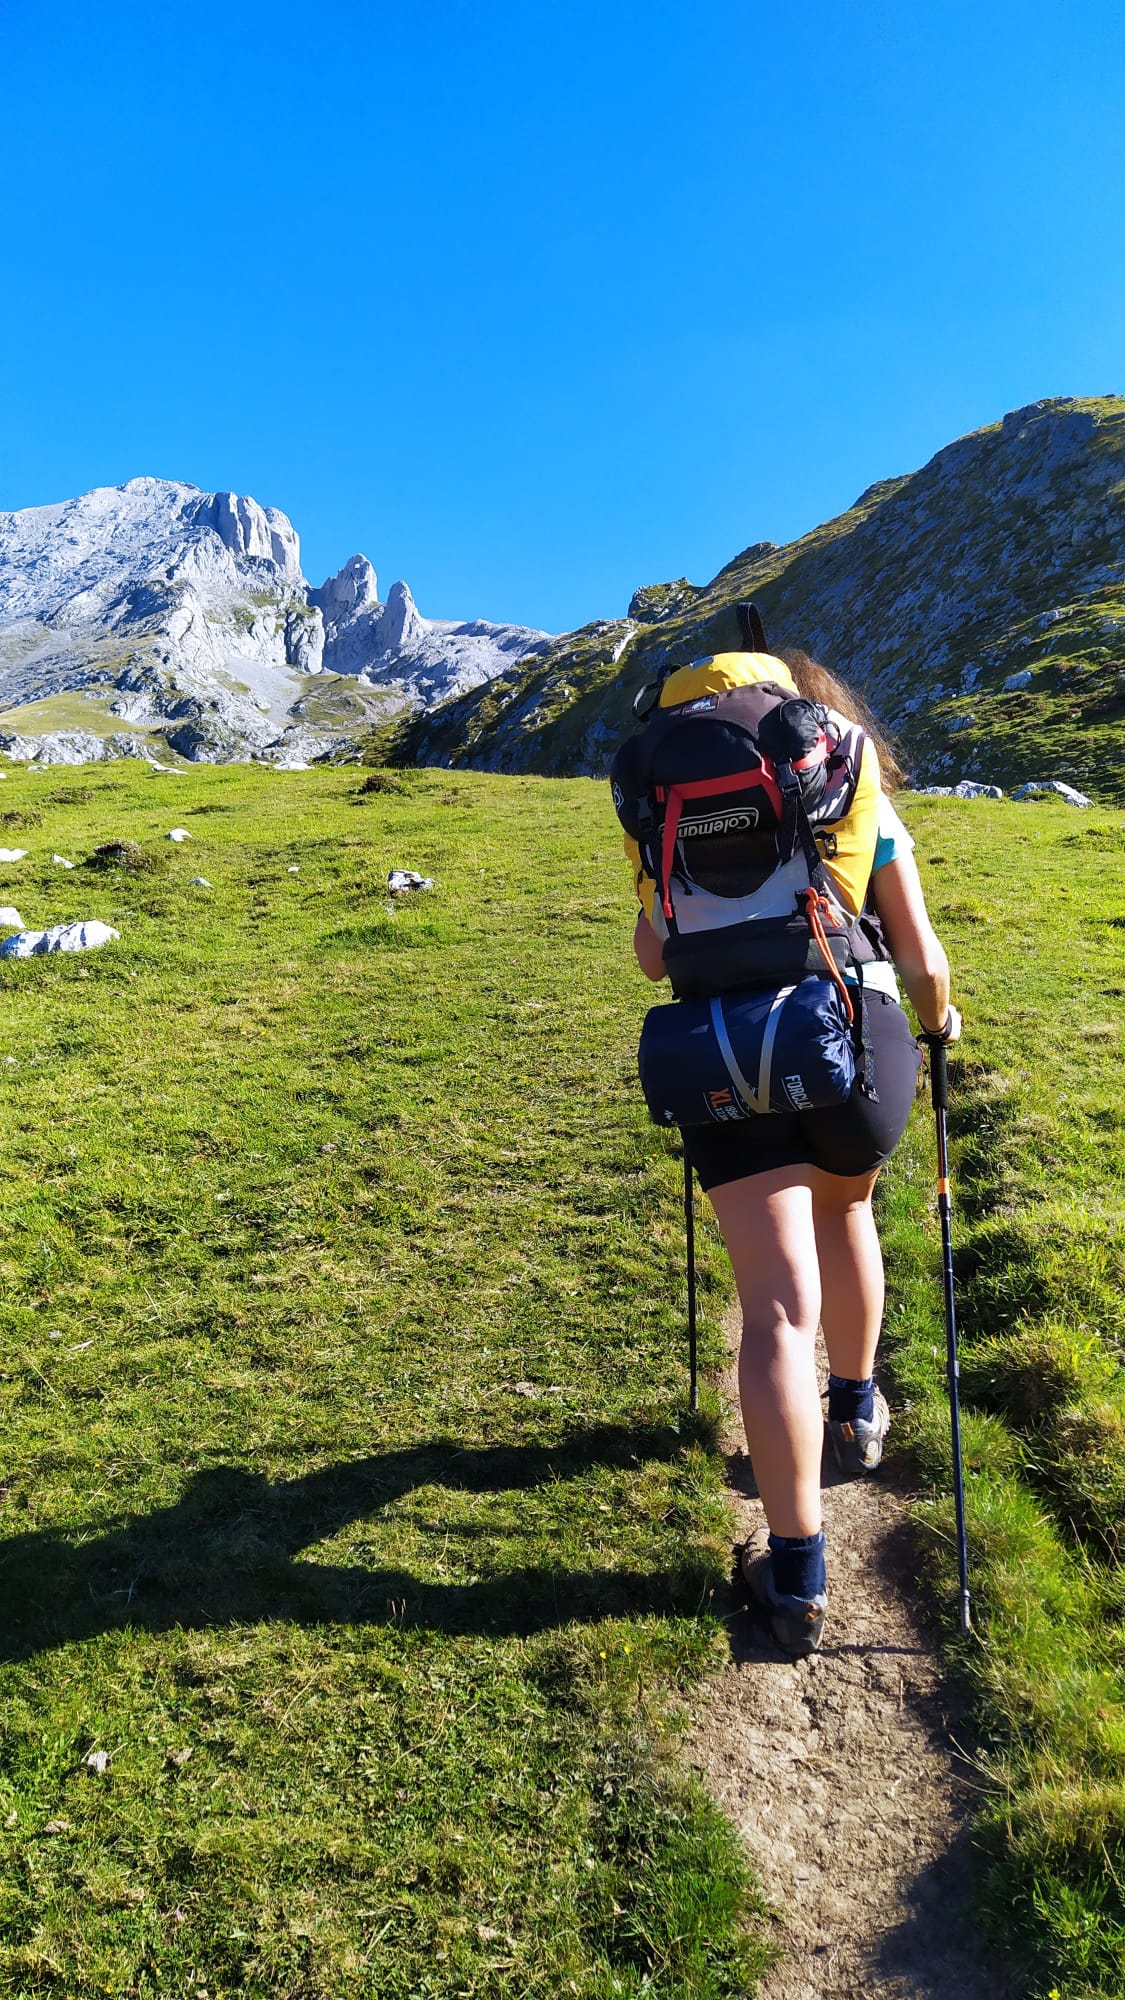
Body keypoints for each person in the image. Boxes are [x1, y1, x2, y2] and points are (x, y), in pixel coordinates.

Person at [626, 644, 961, 1656]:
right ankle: (857, 1409)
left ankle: (797, 1576)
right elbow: (923, 958)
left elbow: (654, 950)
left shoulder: (659, 792)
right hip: (856, 1037)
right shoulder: (842, 772)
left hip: (728, 1052)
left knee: (774, 1303)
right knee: (848, 1208)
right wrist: (938, 1027)